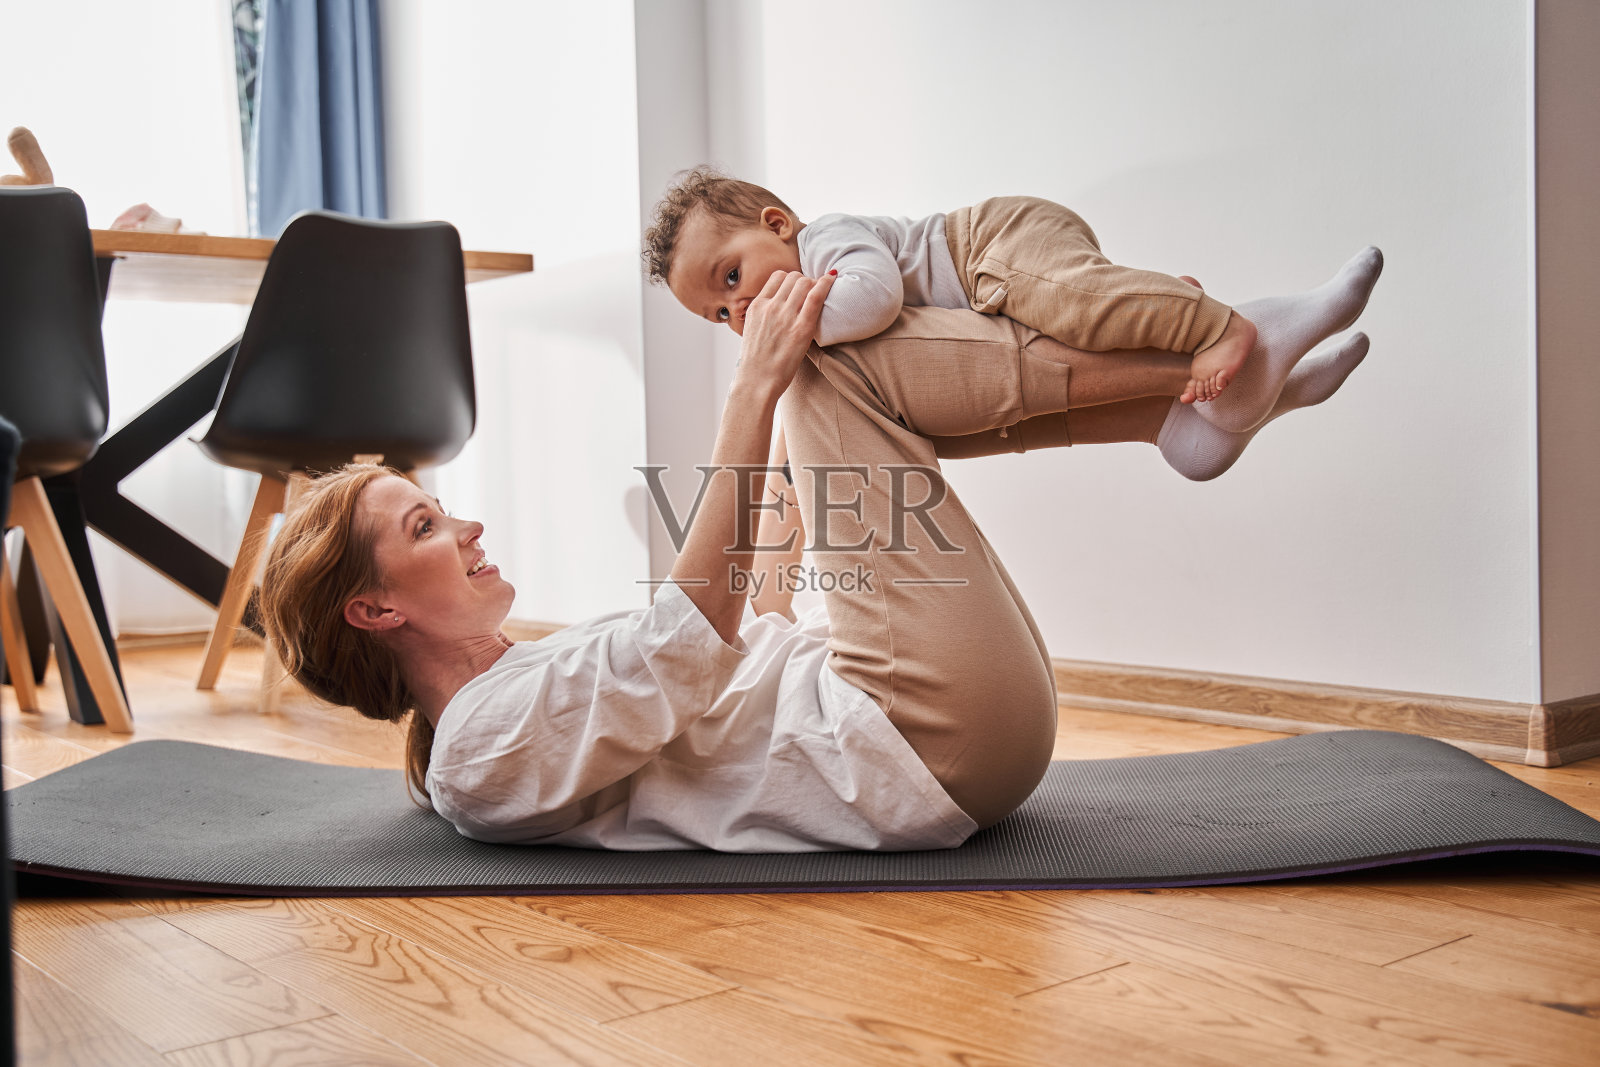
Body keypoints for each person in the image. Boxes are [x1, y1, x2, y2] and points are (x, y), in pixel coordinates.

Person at [258, 253, 1379, 852]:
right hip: (917, 740)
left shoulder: (518, 686)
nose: (465, 527)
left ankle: (1199, 396)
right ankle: (1215, 367)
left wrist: (794, 487)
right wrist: (754, 389)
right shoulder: (474, 755)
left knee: (838, 379)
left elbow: (737, 629)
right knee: (825, 365)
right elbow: (686, 644)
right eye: (423, 529)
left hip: (922, 723)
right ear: (374, 611)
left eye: (439, 508)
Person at [646, 167, 1269, 414]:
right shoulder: (804, 271)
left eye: (731, 279)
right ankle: (1152, 302)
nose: (739, 309)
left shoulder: (824, 241)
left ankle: (1215, 325)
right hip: (989, 285)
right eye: (719, 314)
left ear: (777, 225)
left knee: (1074, 303)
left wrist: (797, 329)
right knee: (1073, 321)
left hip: (989, 245)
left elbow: (874, 299)